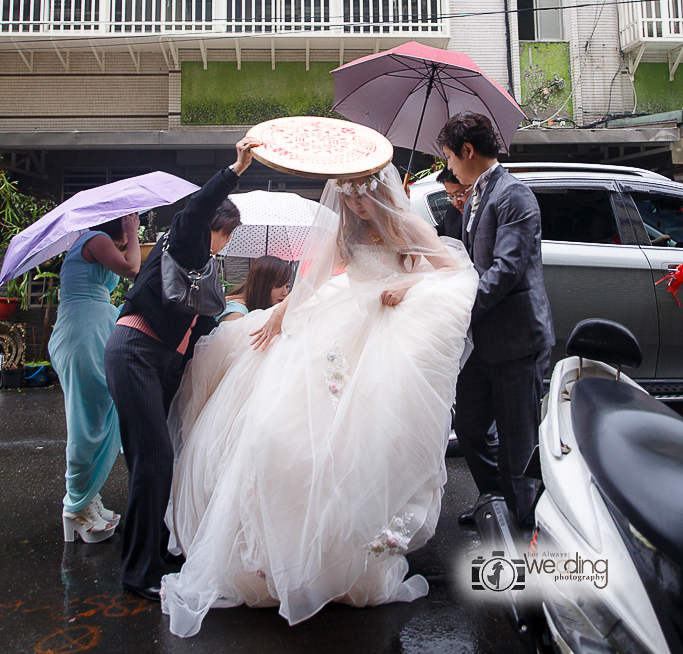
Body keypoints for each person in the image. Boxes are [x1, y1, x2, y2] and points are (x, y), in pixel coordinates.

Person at [161, 163, 478, 636]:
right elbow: (312, 280)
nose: (353, 206)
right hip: (338, 332)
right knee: (285, 437)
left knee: (362, 448)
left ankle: (350, 563)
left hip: (382, 340)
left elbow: (454, 271)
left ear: (378, 190)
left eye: (360, 196)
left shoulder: (407, 224)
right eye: (346, 197)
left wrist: (405, 284)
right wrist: (279, 315)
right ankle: (283, 558)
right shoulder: (344, 229)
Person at [104, 137, 260, 602]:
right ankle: (139, 573)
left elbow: (205, 319)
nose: (226, 244)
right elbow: (195, 210)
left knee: (151, 462)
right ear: (216, 227)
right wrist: (235, 169)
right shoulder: (188, 237)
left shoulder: (198, 262)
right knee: (154, 459)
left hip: (153, 358)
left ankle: (150, 552)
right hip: (134, 350)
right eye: (226, 234)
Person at [438, 112, 555, 528]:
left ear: (468, 151)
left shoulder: (514, 195)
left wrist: (456, 309)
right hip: (482, 341)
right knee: (469, 427)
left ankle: (526, 525)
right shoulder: (475, 196)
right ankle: (495, 497)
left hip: (515, 340)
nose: (449, 166)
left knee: (517, 441)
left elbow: (506, 270)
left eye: (450, 157)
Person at [49, 214, 141, 543]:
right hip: (82, 336)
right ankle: (75, 506)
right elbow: (132, 269)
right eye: (131, 219)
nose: (136, 224)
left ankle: (87, 496)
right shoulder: (94, 240)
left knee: (102, 414)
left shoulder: (95, 243)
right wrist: (132, 233)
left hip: (92, 332)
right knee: (87, 422)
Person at [217, 256, 291, 323]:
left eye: (287, 286)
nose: (284, 293)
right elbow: (232, 331)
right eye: (278, 286)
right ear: (262, 285)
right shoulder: (236, 309)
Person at [435, 167, 471, 240]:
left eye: (460, 195)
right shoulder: (453, 213)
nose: (456, 203)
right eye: (450, 197)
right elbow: (437, 232)